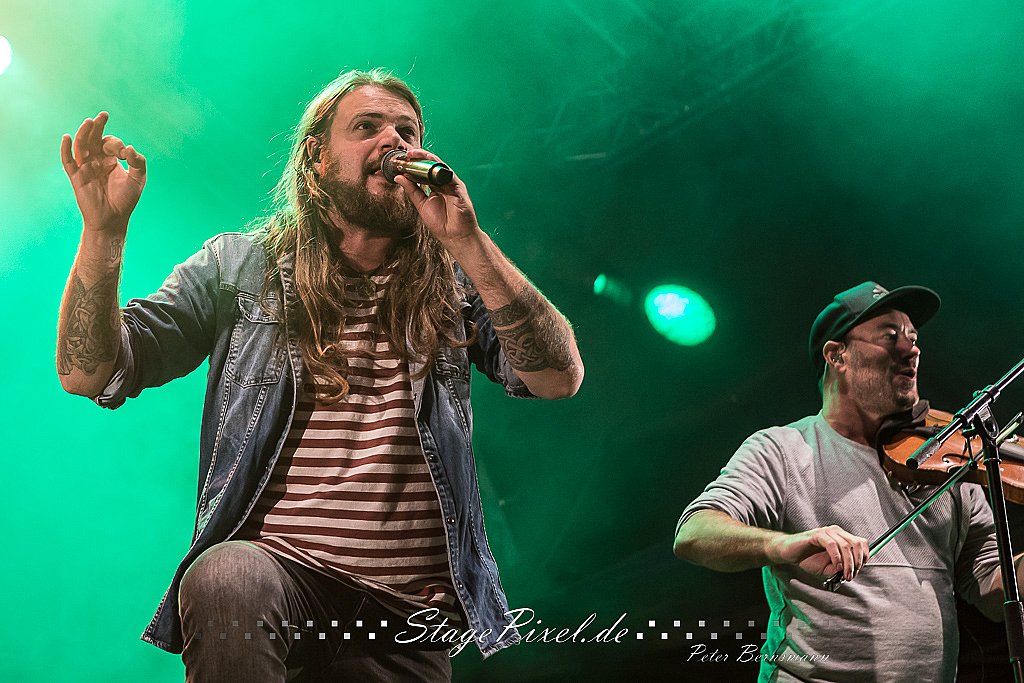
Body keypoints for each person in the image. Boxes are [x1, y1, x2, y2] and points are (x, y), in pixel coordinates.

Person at [56, 68, 583, 682]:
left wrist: (467, 241)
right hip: (278, 584)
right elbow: (88, 372)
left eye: (407, 131)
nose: (395, 143)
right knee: (228, 574)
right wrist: (104, 232)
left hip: (405, 617)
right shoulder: (240, 267)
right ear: (315, 160)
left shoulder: (456, 280)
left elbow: (557, 377)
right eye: (367, 127)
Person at [673, 281, 1019, 682]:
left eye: (912, 337)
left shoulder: (951, 456)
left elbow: (990, 582)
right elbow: (694, 533)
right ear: (837, 355)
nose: (911, 349)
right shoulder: (784, 449)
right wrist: (782, 546)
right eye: (890, 336)